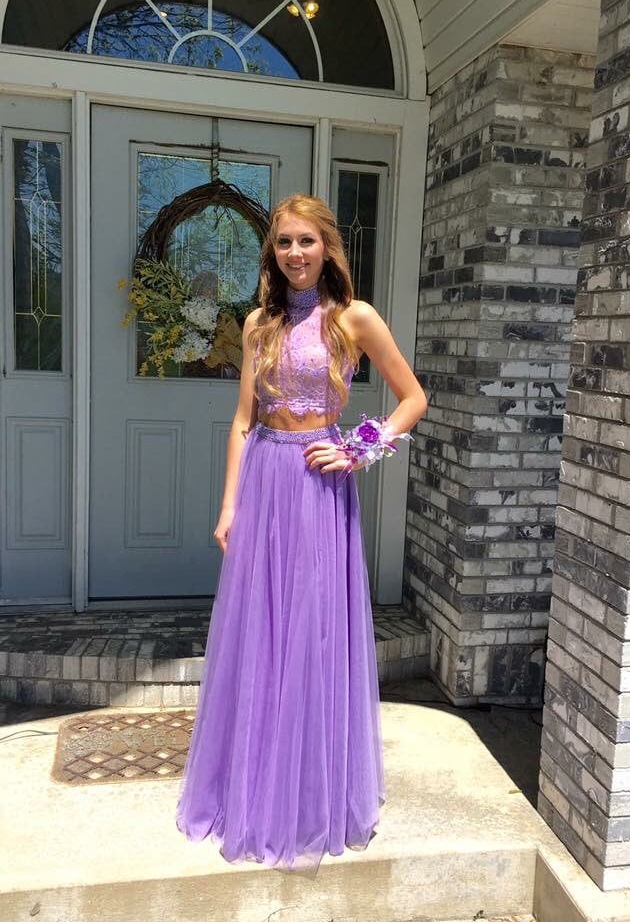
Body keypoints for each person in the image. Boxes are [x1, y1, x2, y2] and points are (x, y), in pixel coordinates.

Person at [175, 193, 428, 875]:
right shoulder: (258, 322)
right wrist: (229, 507)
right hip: (265, 480)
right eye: (284, 242)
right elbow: (242, 421)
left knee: (312, 632)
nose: (295, 254)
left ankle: (312, 795)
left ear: (327, 248)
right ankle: (251, 789)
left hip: (319, 486)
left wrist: (359, 450)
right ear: (273, 252)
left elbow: (413, 398)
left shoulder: (354, 317)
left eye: (306, 241)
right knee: (260, 632)